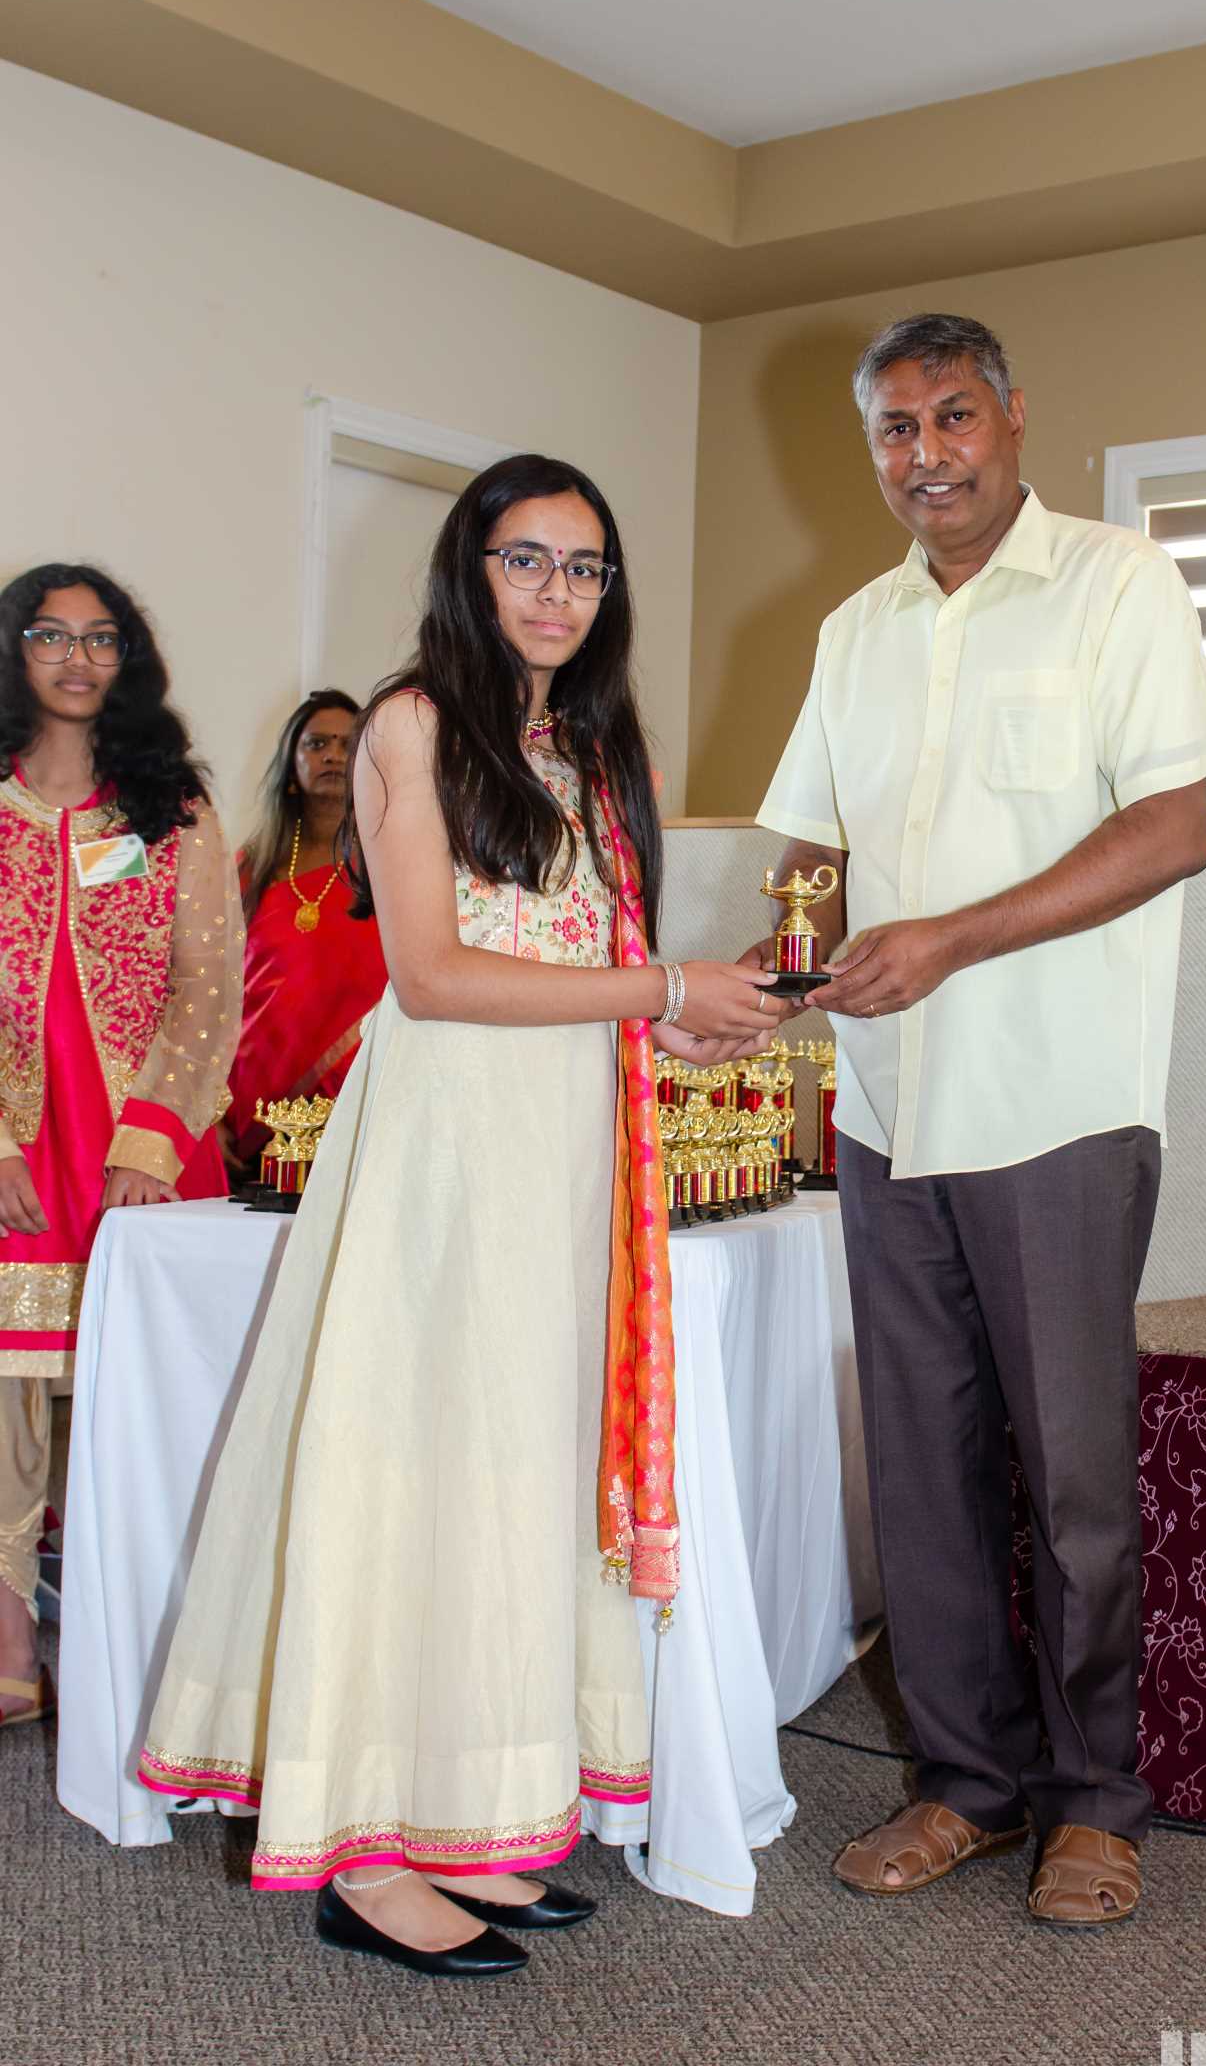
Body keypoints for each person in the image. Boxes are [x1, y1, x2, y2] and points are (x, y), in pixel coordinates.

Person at [140, 453, 781, 1978]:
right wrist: (661, 986)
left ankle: (464, 1814)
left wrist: (685, 1023)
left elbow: (582, 961)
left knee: (513, 1480)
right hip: (449, 1154)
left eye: (585, 566)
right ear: (468, 570)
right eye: (526, 559)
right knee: (414, 1470)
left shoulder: (590, 743)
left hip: (565, 1151)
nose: (558, 591)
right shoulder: (414, 723)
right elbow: (430, 973)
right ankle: (364, 1853)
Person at [753, 315, 1206, 1927]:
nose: (926, 453)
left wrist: (950, 938)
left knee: (1071, 1474)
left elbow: (1171, 829)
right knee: (922, 1468)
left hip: (1059, 1105)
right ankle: (965, 1779)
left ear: (1015, 417)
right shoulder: (855, 627)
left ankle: (1094, 1802)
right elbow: (811, 849)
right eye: (895, 428)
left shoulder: (1118, 583)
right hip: (889, 1109)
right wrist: (776, 968)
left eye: (953, 416)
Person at [0, 562, 242, 1730]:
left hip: (144, 1144)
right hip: (15, 1143)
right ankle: (9, 1637)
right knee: (5, 1390)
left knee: (141, 1390)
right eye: (51, 634)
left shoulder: (170, 808)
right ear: (16, 650)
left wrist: (152, 1140)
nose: (77, 657)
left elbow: (210, 983)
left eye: (101, 638)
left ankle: (136, 1632)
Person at [227, 689, 387, 1170]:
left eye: (347, 744)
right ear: (290, 763)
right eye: (317, 744)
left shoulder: (390, 865)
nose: (333, 755)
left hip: (362, 1101)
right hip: (253, 1109)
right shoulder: (250, 869)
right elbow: (210, 991)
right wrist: (209, 1112)